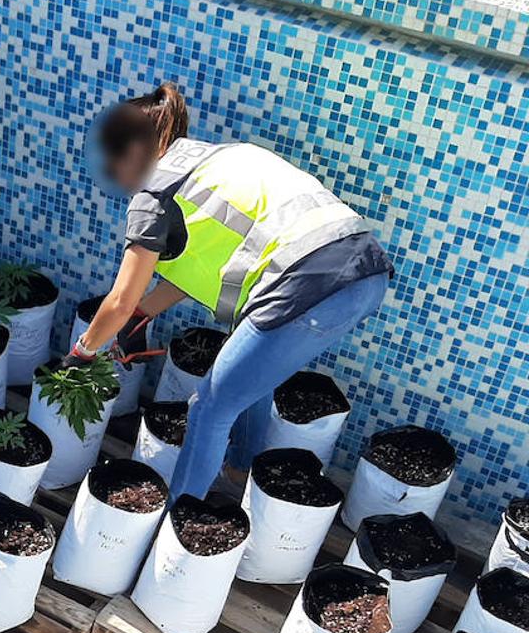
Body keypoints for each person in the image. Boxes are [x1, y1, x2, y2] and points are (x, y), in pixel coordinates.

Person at [67, 83, 392, 499]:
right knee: (249, 377)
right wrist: (144, 314)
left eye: (114, 165)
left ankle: (172, 525)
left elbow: (119, 299)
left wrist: (82, 353)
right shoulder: (219, 157)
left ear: (132, 154)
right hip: (364, 271)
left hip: (308, 285)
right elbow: (195, 267)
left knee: (208, 410)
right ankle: (239, 470)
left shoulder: (155, 191)